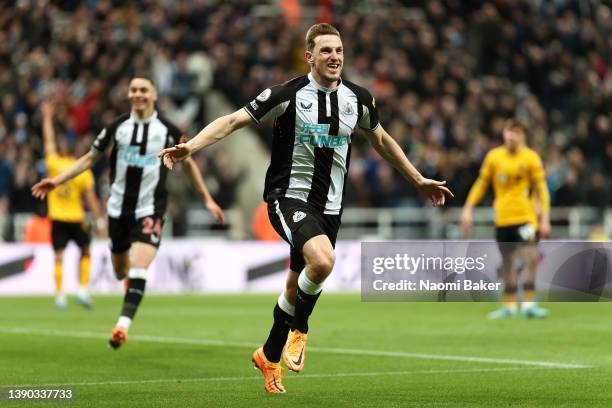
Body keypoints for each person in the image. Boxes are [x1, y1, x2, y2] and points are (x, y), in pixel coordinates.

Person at [160, 23, 453, 394]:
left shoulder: (358, 99)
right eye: (327, 51)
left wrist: (416, 178)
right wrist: (192, 147)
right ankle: (301, 329)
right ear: (310, 56)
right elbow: (233, 120)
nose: (335, 57)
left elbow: (380, 139)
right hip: (288, 197)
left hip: (330, 207)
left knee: (295, 286)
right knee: (324, 261)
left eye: (340, 51)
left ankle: (268, 355)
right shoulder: (288, 94)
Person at [32, 77, 225, 348]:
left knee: (139, 264)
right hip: (118, 210)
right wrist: (58, 180)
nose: (137, 94)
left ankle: (122, 325)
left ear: (154, 94)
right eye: (133, 89)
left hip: (151, 209)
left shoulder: (168, 129)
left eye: (143, 90)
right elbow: (90, 158)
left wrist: (206, 199)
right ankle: (128, 285)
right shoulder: (118, 127)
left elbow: (188, 160)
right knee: (121, 271)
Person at [461, 118, 551, 319]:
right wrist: (468, 208)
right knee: (508, 262)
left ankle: (528, 303)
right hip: (503, 219)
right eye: (509, 131)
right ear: (503, 133)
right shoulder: (494, 157)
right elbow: (481, 184)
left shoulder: (530, 158)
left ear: (522, 136)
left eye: (516, 132)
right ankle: (509, 306)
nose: (512, 135)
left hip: (526, 218)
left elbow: (542, 189)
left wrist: (545, 218)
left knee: (530, 258)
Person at [41, 100, 105, 310]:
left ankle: (60, 295)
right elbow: (91, 198)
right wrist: (99, 219)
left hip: (58, 217)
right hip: (76, 217)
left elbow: (48, 141)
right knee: (85, 250)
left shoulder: (54, 164)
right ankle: (82, 289)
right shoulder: (81, 170)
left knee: (58, 256)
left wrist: (47, 118)